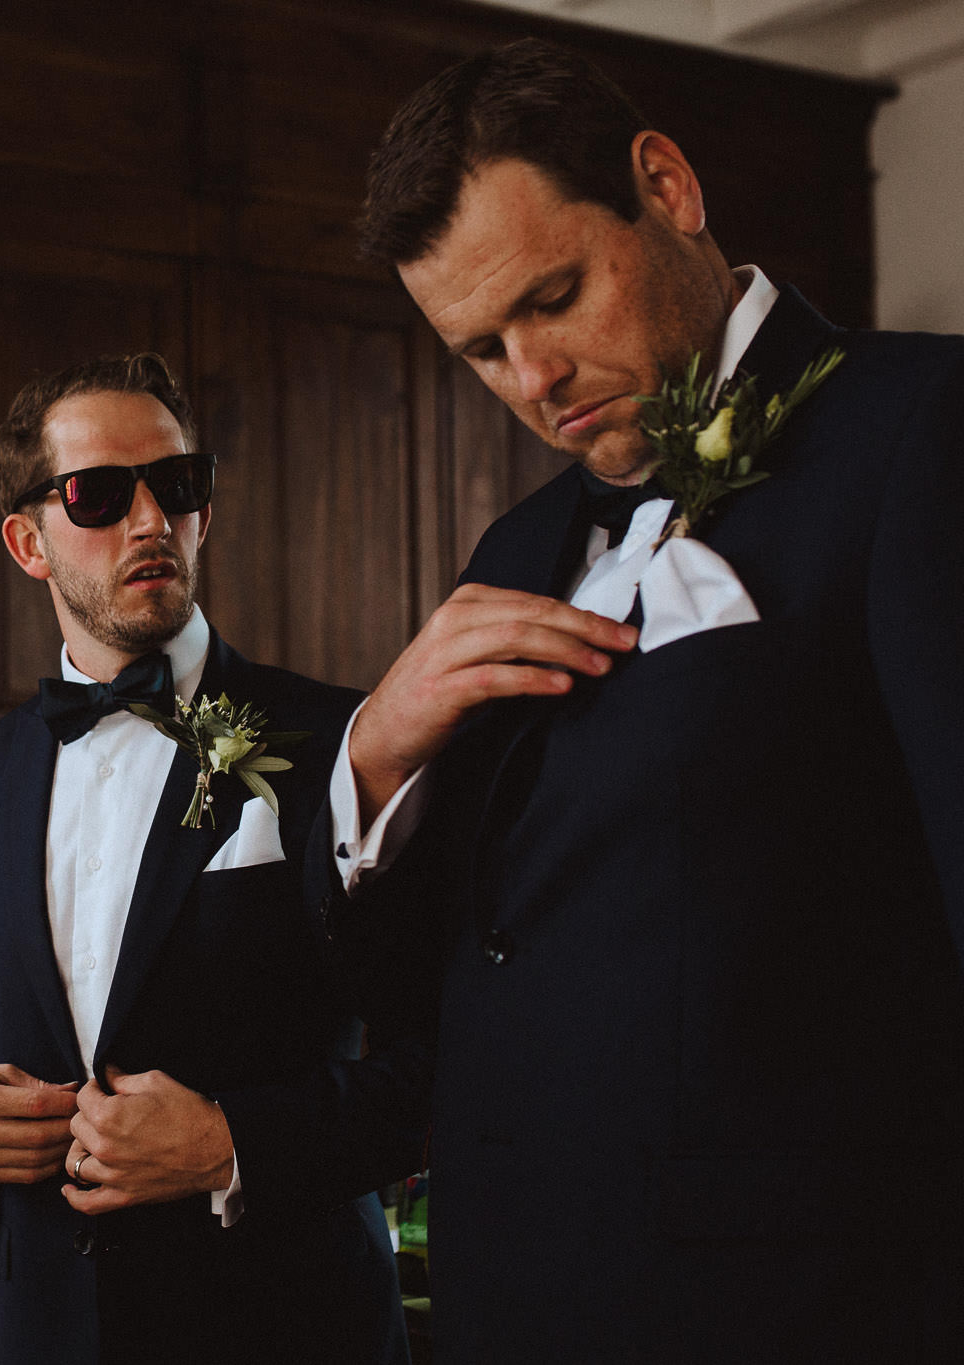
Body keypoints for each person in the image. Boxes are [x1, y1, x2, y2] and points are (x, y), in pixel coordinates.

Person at [332, 38, 964, 1362]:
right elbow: (447, 971)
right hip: (507, 1307)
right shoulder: (513, 547)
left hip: (805, 1314)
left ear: (665, 187)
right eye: (482, 352)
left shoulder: (924, 429)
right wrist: (374, 761)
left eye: (552, 298)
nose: (533, 379)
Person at [0, 354, 428, 1364]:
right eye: (96, 494)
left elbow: (438, 1064)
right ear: (26, 541)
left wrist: (231, 1142)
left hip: (285, 1329)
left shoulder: (335, 741)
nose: (147, 522)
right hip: (47, 1327)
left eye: (175, 487)